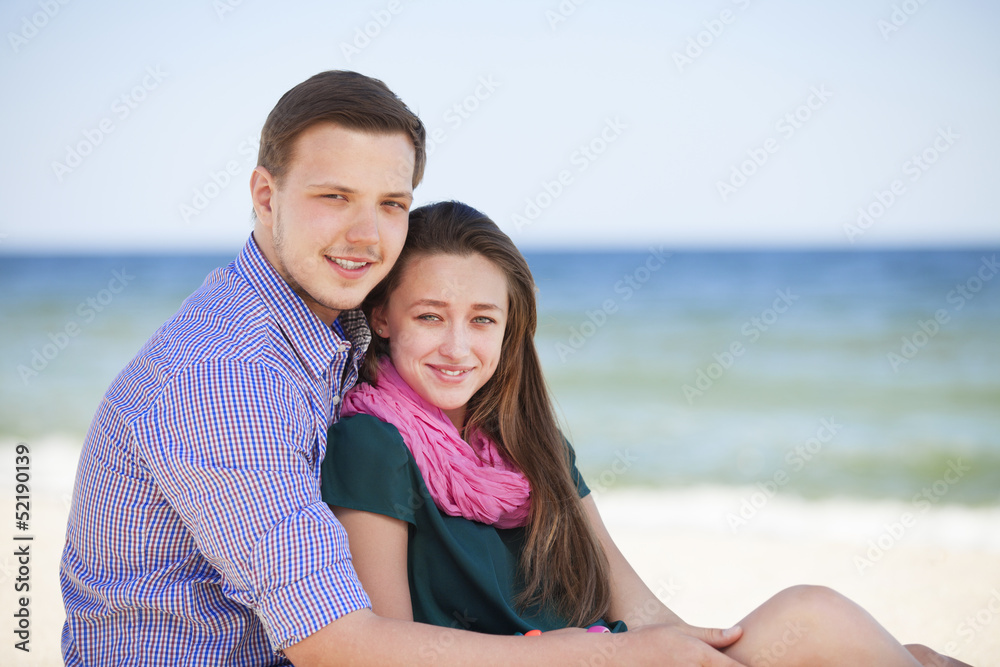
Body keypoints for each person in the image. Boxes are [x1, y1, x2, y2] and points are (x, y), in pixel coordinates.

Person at [59, 70, 749, 666]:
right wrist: (596, 651)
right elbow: (336, 644)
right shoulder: (231, 376)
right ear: (265, 197)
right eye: (334, 197)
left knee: (811, 623)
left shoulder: (331, 334)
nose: (367, 234)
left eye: (391, 204)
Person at [321, 200, 974, 666]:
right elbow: (388, 649)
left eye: (483, 319)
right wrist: (595, 655)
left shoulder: (530, 443)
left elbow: (637, 602)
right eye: (431, 316)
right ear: (382, 316)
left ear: (510, 327)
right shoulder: (373, 443)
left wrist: (688, 648)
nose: (458, 346)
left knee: (837, 631)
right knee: (817, 620)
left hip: (613, 651)